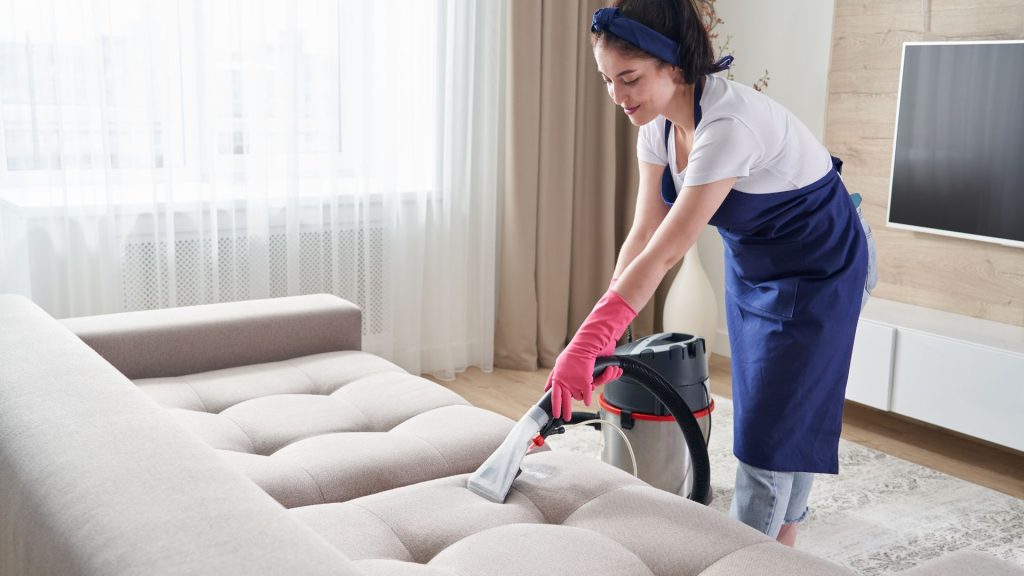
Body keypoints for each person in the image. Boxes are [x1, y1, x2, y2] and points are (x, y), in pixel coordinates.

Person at [545, 0, 877, 547]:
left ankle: (744, 556)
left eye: (629, 79)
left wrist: (587, 341)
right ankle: (784, 547)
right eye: (607, 81)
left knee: (769, 432)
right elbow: (641, 238)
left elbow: (668, 250)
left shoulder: (729, 124)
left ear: (674, 66)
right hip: (758, 271)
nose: (617, 97)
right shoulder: (655, 128)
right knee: (779, 412)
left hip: (826, 269)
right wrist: (603, 341)